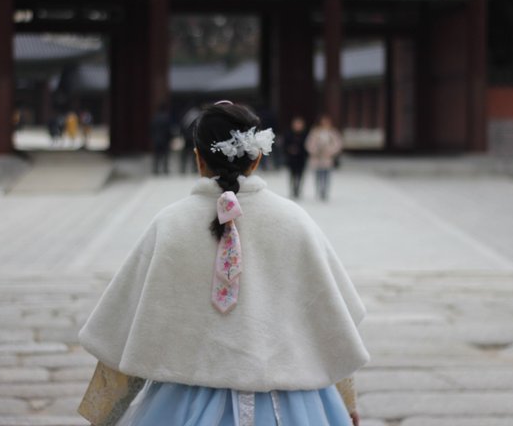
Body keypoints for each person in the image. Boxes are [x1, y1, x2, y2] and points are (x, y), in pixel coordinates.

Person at [77, 101, 368, 426]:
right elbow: (330, 323)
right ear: (257, 158)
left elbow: (124, 327)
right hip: (289, 406)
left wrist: (100, 414)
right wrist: (347, 403)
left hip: (183, 403)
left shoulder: (169, 225)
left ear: (198, 158)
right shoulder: (296, 222)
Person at [305, 114, 343, 201]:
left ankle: (325, 191)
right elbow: (309, 143)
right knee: (318, 175)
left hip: (327, 158)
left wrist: (330, 151)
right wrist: (315, 151)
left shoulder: (333, 133)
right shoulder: (315, 132)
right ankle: (318, 190)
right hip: (317, 158)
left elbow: (338, 144)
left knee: (327, 175)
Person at [283, 116, 309, 199]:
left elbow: (308, 146)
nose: (298, 126)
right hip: (291, 159)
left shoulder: (305, 134)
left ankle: (298, 189)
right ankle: (293, 189)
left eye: (299, 124)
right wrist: (289, 149)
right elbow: (284, 145)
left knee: (300, 175)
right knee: (292, 175)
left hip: (301, 158)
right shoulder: (289, 133)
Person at [149, 103, 173, 175]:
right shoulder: (166, 118)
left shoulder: (155, 118)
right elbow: (168, 130)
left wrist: (152, 137)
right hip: (165, 139)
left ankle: (156, 169)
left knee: (156, 156)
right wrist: (170, 138)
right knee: (165, 155)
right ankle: (165, 169)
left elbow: (151, 129)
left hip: (156, 139)